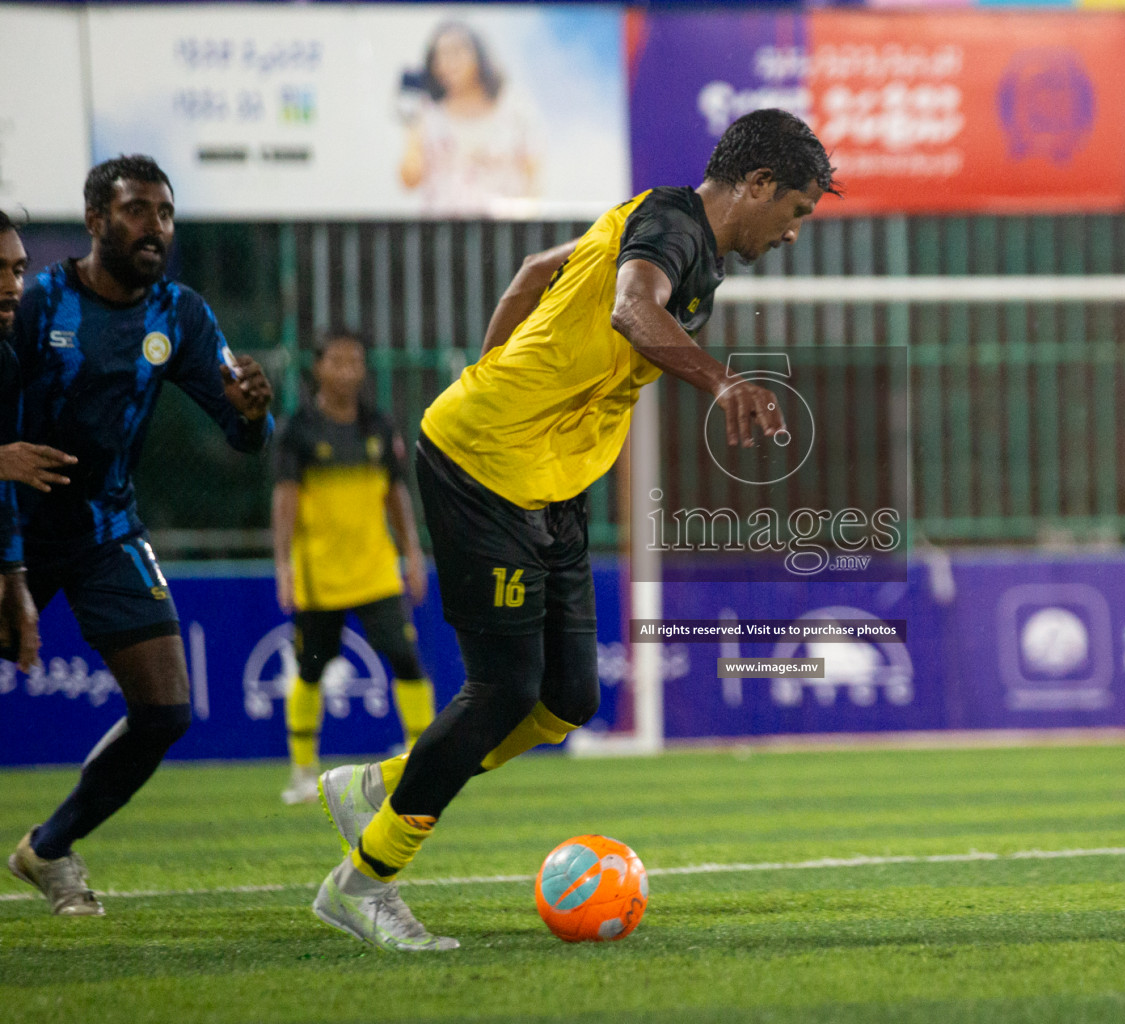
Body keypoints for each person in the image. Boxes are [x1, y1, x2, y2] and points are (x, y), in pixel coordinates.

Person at [310, 108, 836, 951]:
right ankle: (362, 882)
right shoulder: (666, 226)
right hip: (484, 467)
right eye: (799, 210)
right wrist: (719, 382)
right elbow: (633, 312)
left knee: (568, 699)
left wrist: (493, 374)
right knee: (504, 691)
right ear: (760, 185)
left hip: (549, 482)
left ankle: (382, 784)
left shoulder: (659, 226)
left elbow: (531, 272)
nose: (797, 232)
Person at [5, 156, 273, 916]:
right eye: (134, 210)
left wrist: (252, 411)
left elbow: (243, 430)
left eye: (163, 213)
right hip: (11, 519)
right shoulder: (36, 303)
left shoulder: (180, 315)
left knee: (165, 711)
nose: (153, 225)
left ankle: (48, 850)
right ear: (95, 221)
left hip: (104, 527)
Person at [272, 329, 436, 805]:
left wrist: (413, 554)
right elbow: (284, 501)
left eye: (355, 362)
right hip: (320, 576)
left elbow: (396, 495)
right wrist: (284, 566)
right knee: (310, 669)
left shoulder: (378, 427)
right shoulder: (298, 429)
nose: (347, 371)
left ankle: (420, 761)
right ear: (318, 367)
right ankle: (303, 773)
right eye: (337, 362)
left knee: (406, 660)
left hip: (376, 571)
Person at [0, 211, 78, 674]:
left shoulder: (6, 361)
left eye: (17, 269)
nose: (12, 286)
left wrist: (13, 579)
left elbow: (5, 480)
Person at [399, 21, 541, 215]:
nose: (448, 62)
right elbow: (409, 180)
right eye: (439, 55)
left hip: (503, 230)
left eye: (456, 51)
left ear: (478, 56)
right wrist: (412, 124)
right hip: (443, 230)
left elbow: (533, 174)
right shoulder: (429, 114)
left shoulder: (514, 109)